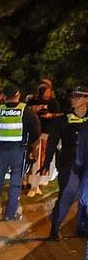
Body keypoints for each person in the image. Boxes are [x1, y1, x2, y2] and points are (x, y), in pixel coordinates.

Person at [0, 85, 41, 220]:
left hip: (1, 151)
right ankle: (10, 214)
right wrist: (32, 149)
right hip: (19, 152)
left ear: (4, 96)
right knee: (15, 184)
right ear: (18, 95)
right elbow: (35, 133)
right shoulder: (26, 111)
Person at [46, 86, 88, 240]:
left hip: (86, 164)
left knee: (85, 197)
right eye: (72, 96)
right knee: (67, 194)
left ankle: (82, 227)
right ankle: (55, 226)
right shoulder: (63, 120)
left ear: (86, 99)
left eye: (77, 96)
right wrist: (46, 162)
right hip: (69, 163)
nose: (73, 99)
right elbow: (52, 142)